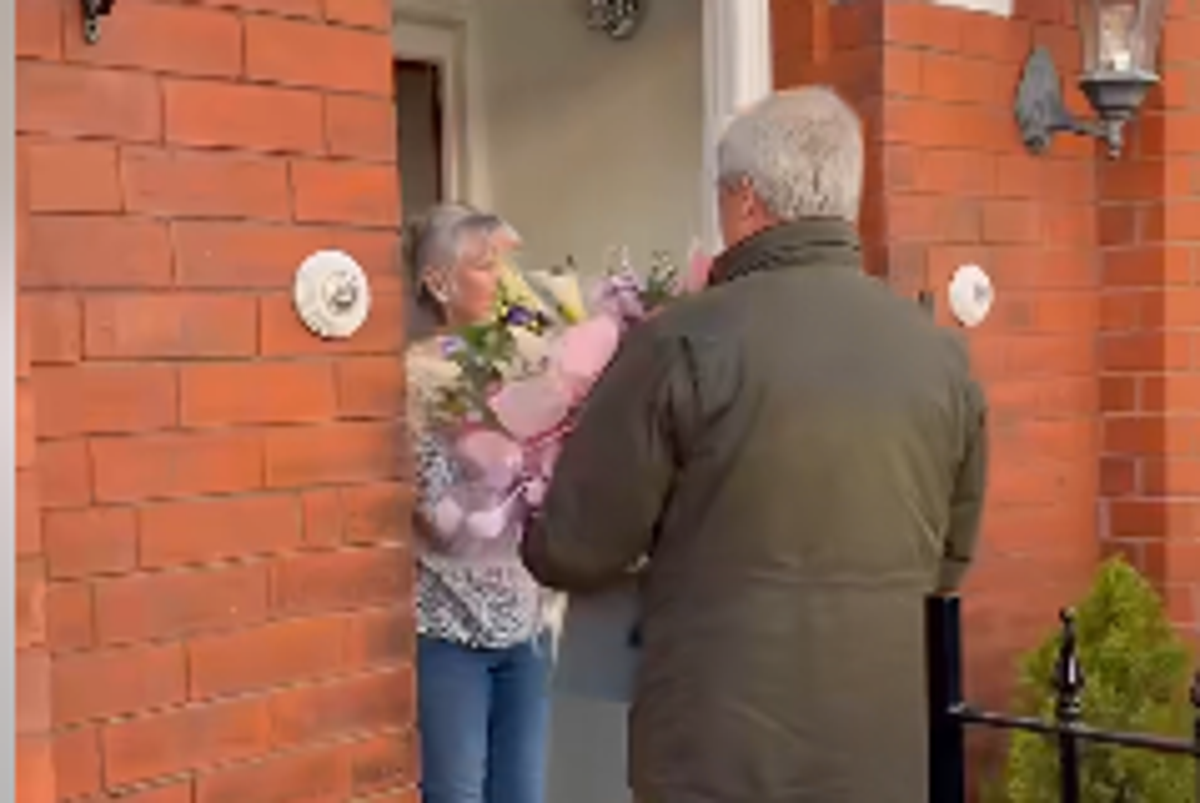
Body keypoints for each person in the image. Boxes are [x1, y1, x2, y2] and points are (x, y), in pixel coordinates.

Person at [521, 86, 990, 803]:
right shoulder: (940, 359)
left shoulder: (681, 343)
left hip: (715, 753)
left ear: (744, 200)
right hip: (879, 752)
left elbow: (576, 545)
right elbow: (946, 564)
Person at [404, 202, 553, 803]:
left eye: (501, 265)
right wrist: (497, 456)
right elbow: (435, 514)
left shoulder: (526, 361)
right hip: (448, 629)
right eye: (484, 265)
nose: (502, 278)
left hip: (527, 629)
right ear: (439, 281)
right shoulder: (416, 376)